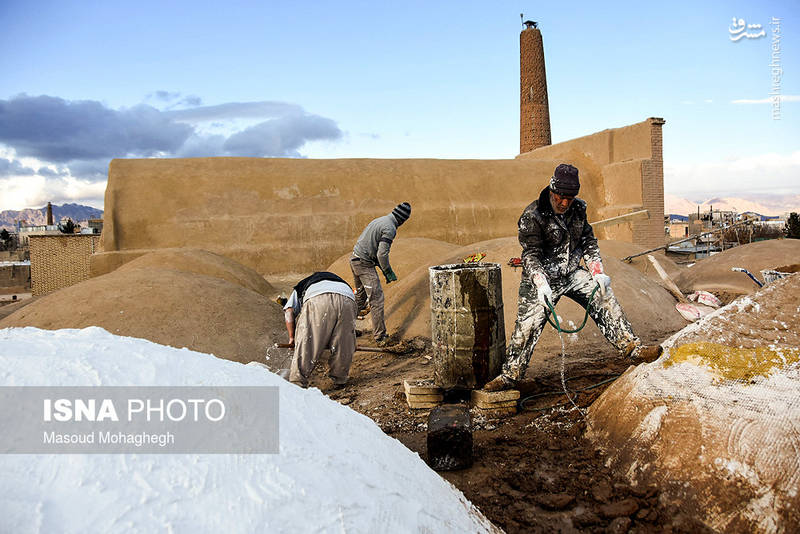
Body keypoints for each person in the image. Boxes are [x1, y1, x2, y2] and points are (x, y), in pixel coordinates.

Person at [484, 164, 662, 391]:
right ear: (551, 190)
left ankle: (632, 348)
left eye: (570, 198)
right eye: (561, 197)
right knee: (527, 326)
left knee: (605, 299)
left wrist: (597, 271)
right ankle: (510, 376)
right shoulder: (532, 216)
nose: (565, 203)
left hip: (571, 272)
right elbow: (530, 254)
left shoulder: (579, 209)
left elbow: (588, 240)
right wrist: (540, 282)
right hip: (542, 278)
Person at [349, 202, 411, 346]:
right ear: (402, 219)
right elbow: (382, 254)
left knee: (360, 297)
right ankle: (380, 336)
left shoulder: (380, 220)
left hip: (354, 259)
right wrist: (387, 271)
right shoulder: (390, 228)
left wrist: (381, 267)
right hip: (364, 264)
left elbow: (370, 245)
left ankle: (347, 329)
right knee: (376, 299)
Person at [282, 271, 357, 389]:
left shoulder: (302, 286)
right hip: (348, 299)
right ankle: (340, 379)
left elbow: (289, 311)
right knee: (343, 343)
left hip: (318, 299)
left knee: (308, 343)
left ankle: (297, 382)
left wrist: (292, 337)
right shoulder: (339, 281)